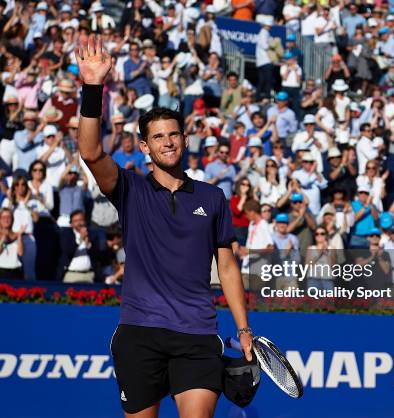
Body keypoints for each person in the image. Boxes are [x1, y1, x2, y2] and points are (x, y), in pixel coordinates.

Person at [75, 37, 252, 417]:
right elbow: (90, 152)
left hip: (198, 335)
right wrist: (93, 87)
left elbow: (227, 267)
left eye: (173, 134)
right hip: (140, 333)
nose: (167, 142)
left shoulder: (213, 197)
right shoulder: (129, 189)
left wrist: (243, 329)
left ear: (185, 139)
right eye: (158, 137)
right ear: (144, 147)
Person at [57, 209, 97, 283]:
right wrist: (80, 239)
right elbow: (68, 252)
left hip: (89, 275)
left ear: (85, 221)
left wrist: (88, 243)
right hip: (72, 275)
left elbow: (97, 254)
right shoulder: (66, 234)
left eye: (81, 220)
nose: (79, 223)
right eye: (76, 221)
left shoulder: (92, 234)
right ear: (71, 224)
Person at [0, 207, 24, 280]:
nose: (6, 219)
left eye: (9, 217)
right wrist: (3, 238)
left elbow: (20, 253)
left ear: (12, 219)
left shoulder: (16, 234)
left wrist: (19, 236)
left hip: (15, 271)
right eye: (3, 217)